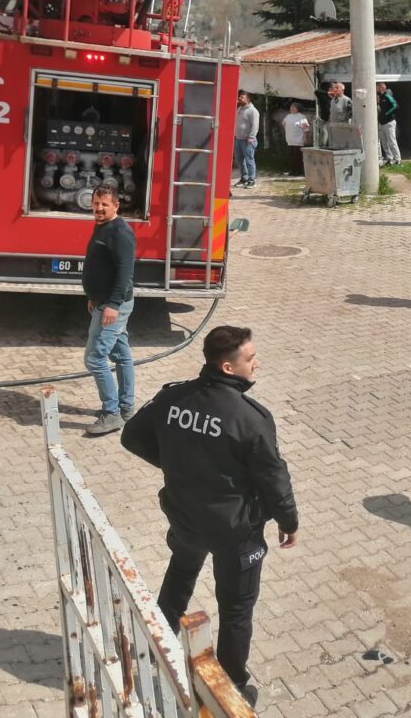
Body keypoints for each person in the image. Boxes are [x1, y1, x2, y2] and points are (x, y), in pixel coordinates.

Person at [121, 325, 298, 709]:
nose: (256, 363)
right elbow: (273, 478)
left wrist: (178, 467)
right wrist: (289, 521)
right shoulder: (250, 418)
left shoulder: (173, 398)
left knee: (181, 572)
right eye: (250, 358)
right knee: (236, 608)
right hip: (235, 530)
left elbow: (131, 437)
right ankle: (232, 688)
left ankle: (155, 645)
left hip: (185, 514)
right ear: (228, 367)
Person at [82, 183, 137, 436]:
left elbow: (125, 272)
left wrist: (113, 305)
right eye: (96, 203)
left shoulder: (120, 232)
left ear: (116, 205)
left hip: (114, 306)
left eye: (105, 204)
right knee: (121, 355)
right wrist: (94, 297)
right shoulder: (103, 226)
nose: (99, 208)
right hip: (102, 302)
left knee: (94, 358)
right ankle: (126, 408)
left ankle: (111, 414)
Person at [234, 91, 259, 188]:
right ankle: (244, 178)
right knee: (239, 160)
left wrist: (252, 137)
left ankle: (252, 180)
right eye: (239, 97)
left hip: (248, 140)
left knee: (249, 160)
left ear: (248, 99)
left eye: (242, 97)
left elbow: (255, 125)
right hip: (238, 139)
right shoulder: (239, 109)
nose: (239, 98)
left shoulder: (253, 111)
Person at [376, 81, 401, 165]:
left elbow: (395, 106)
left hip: (389, 122)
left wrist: (386, 113)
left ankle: (397, 159)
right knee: (384, 142)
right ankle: (390, 159)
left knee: (392, 141)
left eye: (377, 87)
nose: (375, 89)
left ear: (381, 88)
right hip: (381, 123)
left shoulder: (387, 95)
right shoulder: (379, 97)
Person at [282, 103, 310, 176]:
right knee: (291, 156)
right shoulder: (288, 116)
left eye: (294, 107)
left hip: (298, 139)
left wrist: (305, 137)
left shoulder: (301, 117)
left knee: (298, 156)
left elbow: (305, 128)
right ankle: (293, 170)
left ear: (298, 108)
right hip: (290, 139)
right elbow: (283, 123)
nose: (292, 109)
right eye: (291, 107)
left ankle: (299, 171)